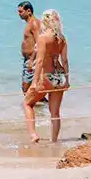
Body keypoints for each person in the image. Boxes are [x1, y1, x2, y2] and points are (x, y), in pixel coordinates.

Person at [23, 10, 69, 143]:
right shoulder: (62, 38)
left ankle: (33, 135)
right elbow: (65, 61)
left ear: (45, 21)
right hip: (59, 77)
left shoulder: (43, 38)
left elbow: (40, 61)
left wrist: (34, 82)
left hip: (46, 76)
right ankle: (54, 141)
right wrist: (67, 79)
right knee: (55, 112)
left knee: (27, 103)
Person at [18, 1, 41, 96]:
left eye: (20, 11)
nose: (19, 14)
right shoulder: (29, 23)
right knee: (27, 89)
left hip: (32, 59)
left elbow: (39, 43)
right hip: (27, 59)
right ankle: (39, 108)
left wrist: (32, 61)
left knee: (27, 88)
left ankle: (38, 107)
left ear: (28, 11)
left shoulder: (34, 23)